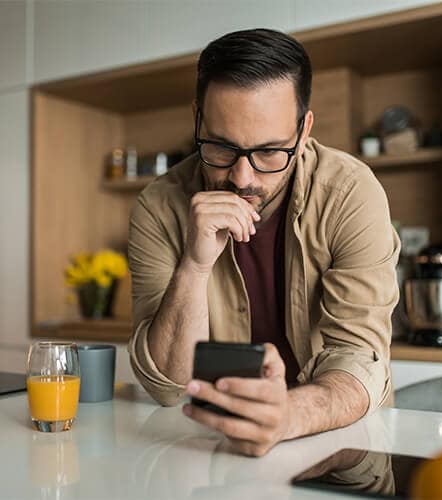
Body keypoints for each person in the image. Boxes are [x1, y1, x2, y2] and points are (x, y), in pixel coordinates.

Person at [128, 28, 400, 457]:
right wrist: (195, 267)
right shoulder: (158, 207)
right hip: (209, 445)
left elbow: (358, 357)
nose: (242, 178)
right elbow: (168, 385)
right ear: (198, 119)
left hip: (339, 441)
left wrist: (288, 414)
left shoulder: (350, 193)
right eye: (220, 147)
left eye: (271, 152)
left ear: (304, 129)